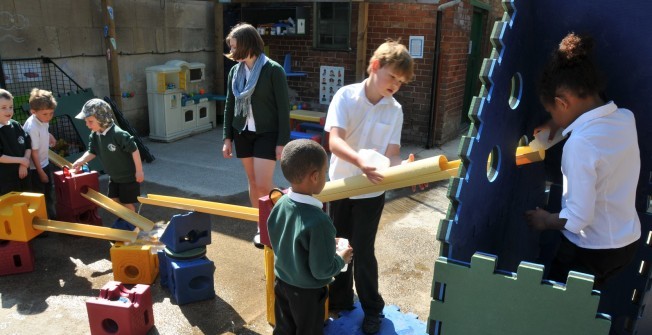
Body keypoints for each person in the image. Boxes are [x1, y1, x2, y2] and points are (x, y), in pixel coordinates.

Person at [525, 33, 640, 290]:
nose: (552, 116)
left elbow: (577, 218)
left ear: (562, 103)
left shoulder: (579, 145)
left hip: (591, 252)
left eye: (552, 110)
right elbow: (590, 108)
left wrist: (545, 221)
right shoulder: (624, 118)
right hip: (627, 242)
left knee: (557, 303)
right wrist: (559, 121)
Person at [324, 39, 415, 334]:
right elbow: (334, 141)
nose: (395, 85)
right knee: (338, 244)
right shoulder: (345, 96)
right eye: (392, 77)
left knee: (363, 249)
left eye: (400, 82)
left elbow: (392, 155)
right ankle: (338, 300)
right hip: (339, 186)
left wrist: (406, 169)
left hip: (372, 192)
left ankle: (372, 308)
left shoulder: (395, 110)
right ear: (375, 66)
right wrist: (361, 162)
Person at [268, 139, 353, 335]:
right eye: (325, 172)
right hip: (307, 294)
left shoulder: (280, 204)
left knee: (284, 329)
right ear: (315, 177)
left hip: (282, 283)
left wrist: (323, 243)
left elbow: (283, 237)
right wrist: (341, 259)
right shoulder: (320, 221)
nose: (326, 176)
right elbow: (322, 270)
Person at [221, 22, 290, 249]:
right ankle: (261, 226)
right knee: (252, 182)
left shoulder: (273, 70)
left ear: (247, 45)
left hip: (267, 134)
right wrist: (227, 138)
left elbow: (283, 109)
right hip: (242, 133)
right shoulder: (235, 71)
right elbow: (230, 106)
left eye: (234, 47)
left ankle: (288, 211)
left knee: (263, 184)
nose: (232, 52)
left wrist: (282, 142)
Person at [72, 99, 144, 211]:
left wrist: (139, 171)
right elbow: (92, 151)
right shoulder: (95, 135)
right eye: (86, 121)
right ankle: (125, 220)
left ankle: (134, 225)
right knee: (114, 200)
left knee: (127, 203)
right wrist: (81, 161)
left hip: (128, 177)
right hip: (114, 177)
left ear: (102, 119)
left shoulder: (118, 134)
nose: (87, 125)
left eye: (90, 121)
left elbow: (134, 150)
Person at [23, 88, 58, 219]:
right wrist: (41, 172)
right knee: (39, 195)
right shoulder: (32, 127)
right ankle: (42, 221)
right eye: (45, 114)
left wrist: (50, 136)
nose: (48, 117)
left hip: (44, 162)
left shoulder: (42, 120)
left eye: (51, 113)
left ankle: (51, 215)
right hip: (35, 168)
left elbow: (44, 128)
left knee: (49, 190)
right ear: (33, 111)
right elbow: (33, 152)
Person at [0, 88, 32, 195]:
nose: (8, 111)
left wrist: (24, 163)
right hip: (6, 180)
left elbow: (28, 144)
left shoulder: (16, 125)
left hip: (24, 175)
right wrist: (21, 160)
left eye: (11, 107)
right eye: (3, 108)